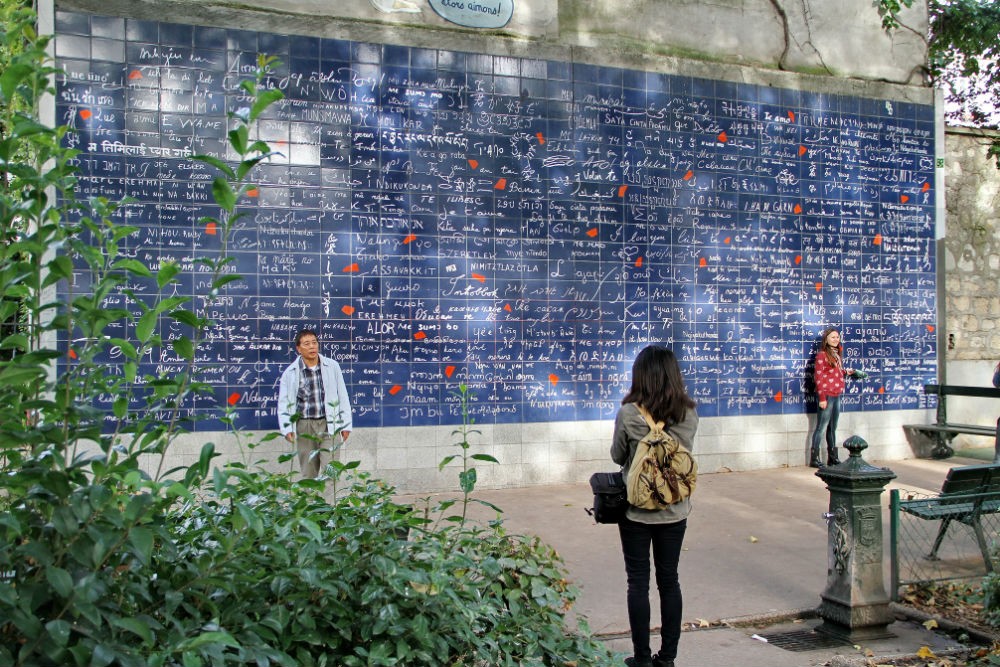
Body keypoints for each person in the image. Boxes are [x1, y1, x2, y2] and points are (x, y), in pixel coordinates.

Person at [611, 345, 699, 667]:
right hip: (675, 509)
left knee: (638, 581)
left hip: (636, 510)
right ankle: (668, 658)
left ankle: (642, 659)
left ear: (640, 376)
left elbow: (618, 456)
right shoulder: (689, 412)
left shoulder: (629, 413)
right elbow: (684, 454)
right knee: (669, 580)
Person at [277, 328, 353, 478]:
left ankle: (329, 502)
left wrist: (346, 424)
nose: (312, 346)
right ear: (298, 348)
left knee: (330, 472)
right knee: (308, 472)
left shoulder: (332, 366)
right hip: (304, 426)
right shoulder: (290, 373)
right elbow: (284, 403)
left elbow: (343, 396)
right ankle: (312, 501)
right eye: (306, 344)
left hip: (329, 424)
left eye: (314, 342)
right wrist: (287, 428)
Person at [809, 326, 856, 468]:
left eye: (837, 337)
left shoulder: (837, 354)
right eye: (833, 337)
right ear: (826, 339)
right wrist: (822, 398)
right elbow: (818, 377)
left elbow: (835, 372)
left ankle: (832, 457)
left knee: (832, 427)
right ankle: (815, 458)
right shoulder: (822, 355)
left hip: (837, 394)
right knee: (821, 427)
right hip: (827, 395)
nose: (836, 339)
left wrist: (846, 372)